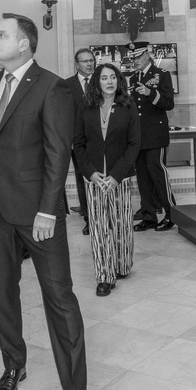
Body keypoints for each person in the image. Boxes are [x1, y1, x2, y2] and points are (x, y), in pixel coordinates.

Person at [0, 13, 86, 390]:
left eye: (1, 35)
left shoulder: (52, 87)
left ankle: (74, 383)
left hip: (38, 212)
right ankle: (14, 365)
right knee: (2, 294)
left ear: (24, 44)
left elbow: (57, 152)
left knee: (59, 297)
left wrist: (48, 208)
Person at [73, 62, 140, 297]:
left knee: (121, 225)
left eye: (113, 77)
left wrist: (116, 175)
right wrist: (90, 172)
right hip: (94, 179)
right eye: (104, 78)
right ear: (96, 82)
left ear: (118, 80)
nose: (109, 82)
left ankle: (121, 265)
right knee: (100, 227)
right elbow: (78, 143)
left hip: (119, 178)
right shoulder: (86, 106)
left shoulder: (128, 106)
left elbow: (134, 144)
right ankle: (104, 276)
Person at [129, 45, 176, 232]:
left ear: (147, 55)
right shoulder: (133, 78)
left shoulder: (162, 74)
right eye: (132, 58)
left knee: (157, 173)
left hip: (156, 135)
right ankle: (149, 217)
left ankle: (171, 213)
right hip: (138, 136)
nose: (135, 61)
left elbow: (168, 103)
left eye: (138, 57)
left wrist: (150, 93)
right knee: (142, 177)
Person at [65, 48, 96, 234]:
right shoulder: (66, 85)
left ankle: (104, 214)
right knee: (82, 179)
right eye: (84, 61)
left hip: (100, 141)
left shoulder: (102, 81)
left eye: (91, 60)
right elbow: (64, 114)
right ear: (77, 64)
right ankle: (88, 218)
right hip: (77, 142)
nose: (89, 64)